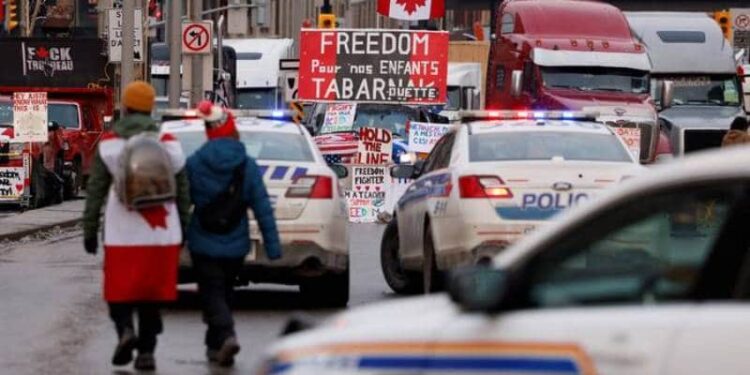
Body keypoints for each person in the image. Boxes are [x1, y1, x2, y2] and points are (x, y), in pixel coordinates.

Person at [82, 81, 191, 371]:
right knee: (152, 294)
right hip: (162, 232)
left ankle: (124, 331)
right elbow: (182, 188)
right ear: (151, 108)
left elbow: (95, 191)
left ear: (126, 108)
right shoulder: (167, 141)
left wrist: (89, 230)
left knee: (119, 290)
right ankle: (146, 353)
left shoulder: (108, 143)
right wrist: (186, 227)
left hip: (122, 233)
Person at [186, 101, 281, 367]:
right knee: (224, 292)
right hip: (236, 242)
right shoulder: (246, 165)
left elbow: (182, 204)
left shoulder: (195, 163)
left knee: (211, 293)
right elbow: (262, 206)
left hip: (203, 241)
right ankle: (215, 346)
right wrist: (272, 247)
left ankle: (226, 336)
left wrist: (176, 238)